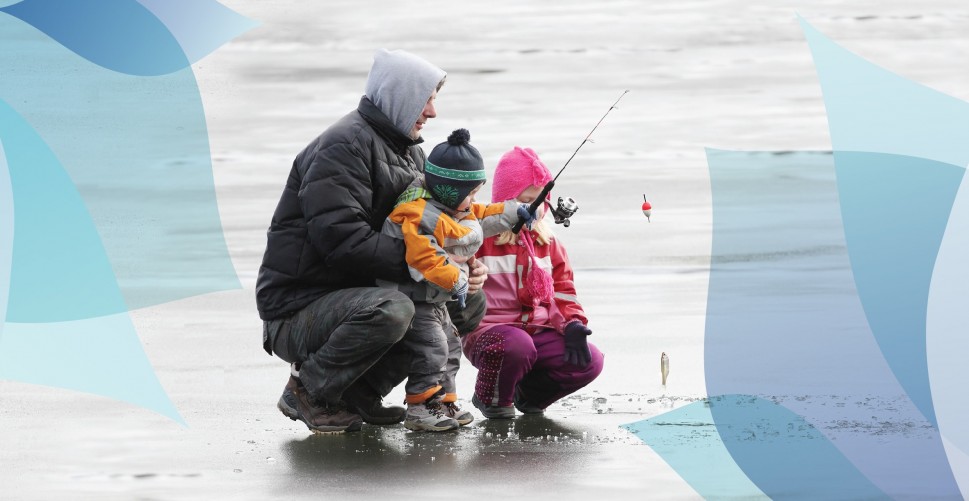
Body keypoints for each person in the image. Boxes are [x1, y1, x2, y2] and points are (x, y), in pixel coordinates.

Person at [256, 49, 490, 434]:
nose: (432, 112)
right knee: (396, 308)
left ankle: (359, 394)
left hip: (362, 293)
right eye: (426, 99)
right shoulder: (341, 147)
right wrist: (432, 266)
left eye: (434, 100)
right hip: (297, 308)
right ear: (400, 96)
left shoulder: (412, 151)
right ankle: (310, 390)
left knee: (467, 303)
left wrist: (460, 262)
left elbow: (440, 222)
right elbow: (342, 242)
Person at [377, 128, 533, 431]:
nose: (474, 199)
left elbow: (484, 214)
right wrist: (456, 281)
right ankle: (421, 406)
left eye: (476, 192)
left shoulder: (455, 207)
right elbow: (424, 258)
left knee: (450, 345)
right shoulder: (418, 215)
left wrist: (516, 212)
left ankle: (445, 401)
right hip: (413, 297)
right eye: (470, 192)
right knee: (432, 347)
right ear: (448, 189)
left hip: (435, 297)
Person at [462, 146, 604, 419]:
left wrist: (573, 323)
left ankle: (529, 395)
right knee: (517, 346)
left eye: (541, 202)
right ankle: (491, 397)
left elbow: (564, 292)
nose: (535, 211)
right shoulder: (479, 239)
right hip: (490, 333)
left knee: (590, 361)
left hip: (537, 330)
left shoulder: (549, 244)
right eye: (527, 202)